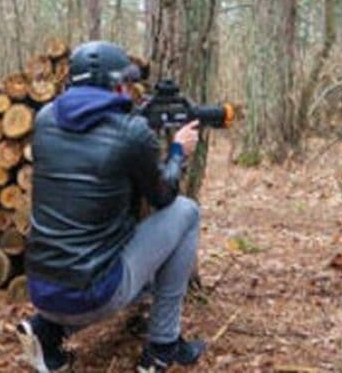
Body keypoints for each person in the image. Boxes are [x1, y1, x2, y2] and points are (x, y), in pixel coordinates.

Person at [16, 41, 205, 372]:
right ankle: (163, 347)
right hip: (95, 295)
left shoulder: (44, 119)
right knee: (186, 212)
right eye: (127, 83)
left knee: (97, 260)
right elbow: (163, 196)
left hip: (41, 289)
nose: (130, 90)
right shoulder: (132, 132)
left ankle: (47, 330)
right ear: (116, 85)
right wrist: (177, 153)